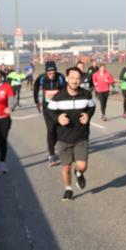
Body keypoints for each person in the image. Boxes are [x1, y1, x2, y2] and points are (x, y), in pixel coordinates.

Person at [46, 67, 95, 201]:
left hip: (81, 136)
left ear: (81, 79)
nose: (74, 81)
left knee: (82, 166)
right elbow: (49, 111)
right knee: (66, 167)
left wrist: (88, 115)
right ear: (67, 78)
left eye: (77, 78)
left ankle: (78, 172)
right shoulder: (59, 96)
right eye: (72, 78)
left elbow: (92, 107)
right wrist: (58, 118)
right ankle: (68, 189)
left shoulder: (86, 94)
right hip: (63, 138)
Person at [34, 61, 67, 166]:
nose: (52, 75)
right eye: (49, 73)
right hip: (47, 109)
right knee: (51, 130)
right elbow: (35, 88)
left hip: (59, 108)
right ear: (46, 72)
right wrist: (37, 101)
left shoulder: (60, 77)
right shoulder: (42, 78)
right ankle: (51, 155)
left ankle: (52, 147)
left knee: (59, 131)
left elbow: (66, 91)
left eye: (53, 73)